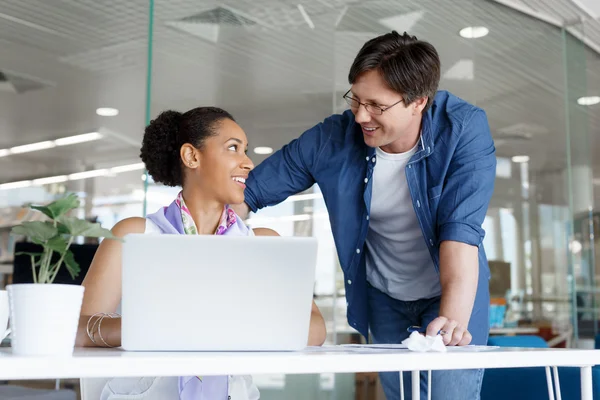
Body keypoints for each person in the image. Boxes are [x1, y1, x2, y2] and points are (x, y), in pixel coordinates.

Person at [235, 31, 496, 399]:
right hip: (384, 295)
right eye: (355, 99)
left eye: (376, 105)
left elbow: (460, 231)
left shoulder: (463, 129)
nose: (360, 115)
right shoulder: (333, 138)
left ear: (418, 101)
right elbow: (249, 194)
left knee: (449, 393)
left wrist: (451, 322)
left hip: (451, 289)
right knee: (400, 394)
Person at [76, 107, 327, 400]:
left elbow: (315, 328)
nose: (248, 163)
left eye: (245, 151)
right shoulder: (134, 235)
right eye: (233, 148)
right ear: (192, 156)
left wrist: (225, 326)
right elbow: (78, 328)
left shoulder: (262, 244)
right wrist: (149, 328)